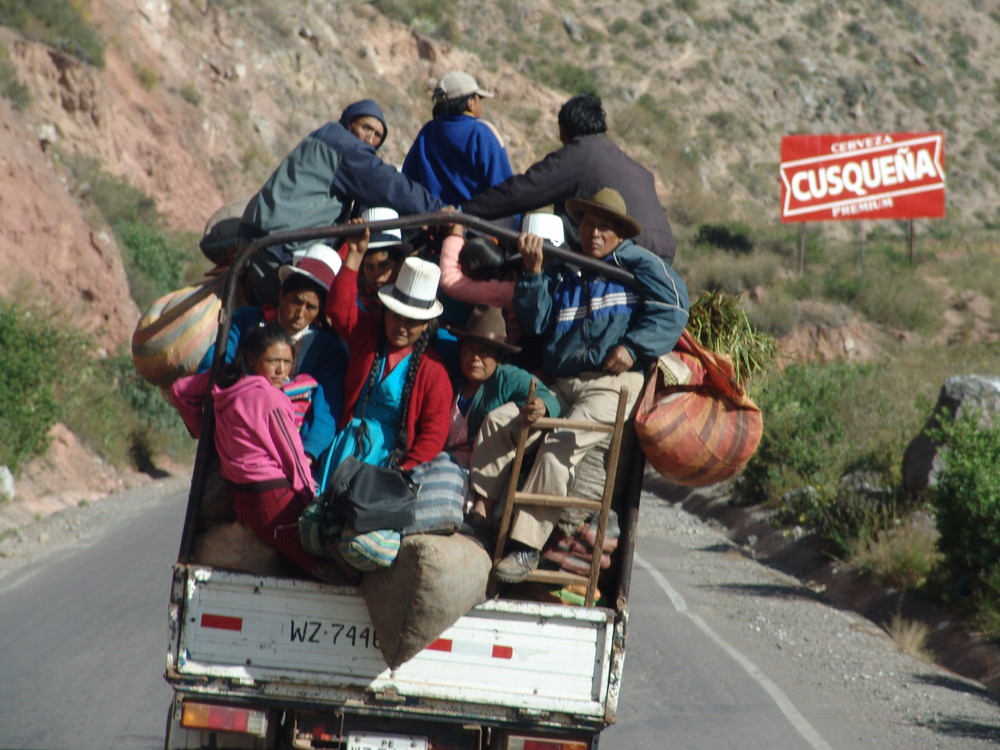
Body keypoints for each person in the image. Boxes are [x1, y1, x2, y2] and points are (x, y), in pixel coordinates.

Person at [493, 187, 689, 583]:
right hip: (564, 382)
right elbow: (535, 324)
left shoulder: (635, 264)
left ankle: (525, 548)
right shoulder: (564, 267)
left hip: (613, 384)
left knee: (559, 444)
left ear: (620, 234)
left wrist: (633, 348)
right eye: (587, 224)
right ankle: (479, 513)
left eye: (604, 227)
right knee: (500, 422)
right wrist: (533, 274)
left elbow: (675, 305)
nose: (594, 234)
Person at [240, 99, 445, 306]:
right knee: (291, 316)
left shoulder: (325, 138)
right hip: (280, 244)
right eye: (366, 128)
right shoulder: (345, 147)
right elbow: (389, 185)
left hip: (266, 235)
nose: (370, 138)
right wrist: (437, 211)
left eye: (377, 136)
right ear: (350, 122)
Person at [170, 324, 331, 579]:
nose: (281, 370)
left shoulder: (224, 386)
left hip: (243, 497)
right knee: (322, 566)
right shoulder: (271, 397)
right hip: (273, 497)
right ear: (252, 359)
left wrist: (202, 431)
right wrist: (311, 498)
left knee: (292, 563)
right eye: (273, 361)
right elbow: (293, 456)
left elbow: (179, 390)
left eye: (287, 362)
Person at [461, 93, 677, 262]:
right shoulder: (624, 160)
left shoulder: (579, 155)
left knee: (544, 214)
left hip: (630, 251)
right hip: (665, 251)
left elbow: (521, 192)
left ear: (563, 131)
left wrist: (464, 212)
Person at [198, 243, 348, 476]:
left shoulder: (327, 349)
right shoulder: (246, 321)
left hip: (292, 444)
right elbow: (216, 362)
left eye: (310, 307)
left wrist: (306, 454)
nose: (300, 314)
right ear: (281, 295)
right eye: (295, 301)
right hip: (237, 433)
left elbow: (327, 407)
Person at [326, 228, 453, 471]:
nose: (402, 327)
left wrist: (403, 471)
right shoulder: (368, 335)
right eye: (396, 317)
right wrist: (354, 255)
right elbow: (339, 309)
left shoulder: (434, 371)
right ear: (385, 312)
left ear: (426, 325)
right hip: (347, 446)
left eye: (412, 322)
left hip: (392, 461)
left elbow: (433, 432)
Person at [443, 304, 561, 526]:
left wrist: (541, 406)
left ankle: (480, 515)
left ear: (499, 357)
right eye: (470, 349)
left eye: (485, 352)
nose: (475, 358)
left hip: (479, 476)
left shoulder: (506, 377)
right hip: (446, 468)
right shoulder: (454, 385)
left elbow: (547, 396)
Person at [402, 71, 514, 206]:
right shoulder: (481, 132)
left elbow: (408, 182)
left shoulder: (426, 133)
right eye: (479, 99)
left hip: (433, 221)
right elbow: (505, 190)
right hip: (473, 223)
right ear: (470, 102)